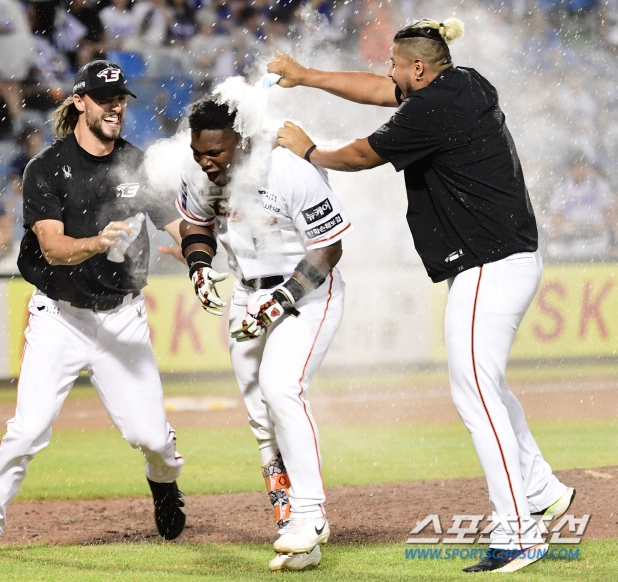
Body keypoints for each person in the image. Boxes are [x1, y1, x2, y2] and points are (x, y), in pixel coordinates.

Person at [269, 18, 576, 574]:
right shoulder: (465, 82)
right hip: (508, 260)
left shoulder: (430, 110)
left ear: (418, 69)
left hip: (490, 265)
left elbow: (363, 155)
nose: (387, 71)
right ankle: (541, 489)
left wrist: (308, 151)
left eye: (394, 63)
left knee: (475, 395)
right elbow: (375, 90)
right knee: (489, 387)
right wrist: (306, 75)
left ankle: (519, 531)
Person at [0, 60, 186, 559]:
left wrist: (199, 251)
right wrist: (100, 240)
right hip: (61, 318)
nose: (116, 105)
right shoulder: (47, 168)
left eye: (121, 98)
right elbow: (53, 249)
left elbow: (177, 224)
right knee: (28, 429)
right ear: (80, 102)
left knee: (153, 440)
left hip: (123, 315)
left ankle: (164, 486)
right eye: (105, 98)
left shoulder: (137, 162)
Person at [175, 96, 352, 571]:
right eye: (198, 152)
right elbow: (194, 225)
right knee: (260, 418)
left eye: (217, 152)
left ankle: (311, 514)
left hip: (306, 295)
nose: (207, 163)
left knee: (281, 389)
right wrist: (197, 265)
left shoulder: (289, 169)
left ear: (244, 139)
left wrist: (281, 300)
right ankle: (293, 529)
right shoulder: (199, 174)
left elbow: (328, 249)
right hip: (245, 296)